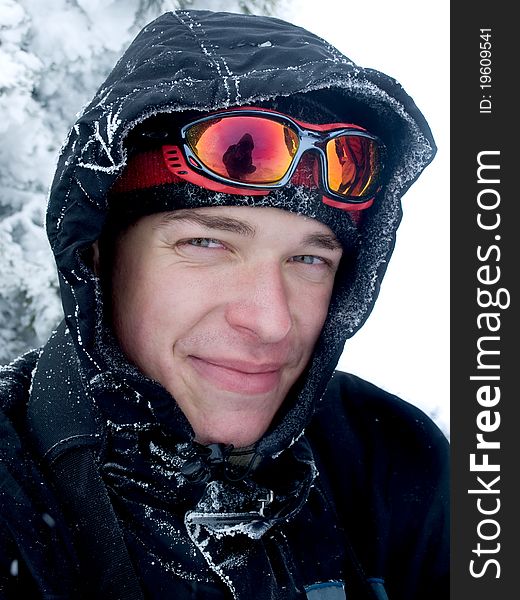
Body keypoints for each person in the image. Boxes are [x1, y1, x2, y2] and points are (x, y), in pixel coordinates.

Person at [0, 9, 449, 600]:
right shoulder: (17, 489)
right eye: (207, 243)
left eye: (310, 260)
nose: (271, 321)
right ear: (99, 256)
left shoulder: (389, 459)